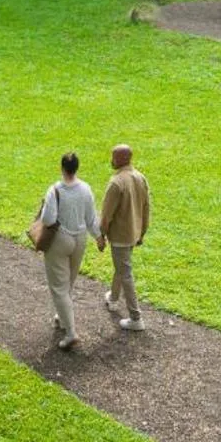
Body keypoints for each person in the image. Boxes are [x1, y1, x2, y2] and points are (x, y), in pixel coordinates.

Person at [37, 152, 98, 350]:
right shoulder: (86, 189)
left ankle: (71, 332)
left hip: (60, 239)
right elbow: (91, 218)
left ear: (62, 168)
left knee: (59, 287)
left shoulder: (54, 190)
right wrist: (98, 237)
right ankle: (62, 317)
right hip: (80, 239)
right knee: (69, 282)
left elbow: (47, 219)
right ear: (77, 168)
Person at [97, 143, 151, 332]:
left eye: (113, 156)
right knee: (122, 266)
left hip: (120, 234)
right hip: (134, 233)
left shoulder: (116, 182)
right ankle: (113, 298)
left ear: (119, 159)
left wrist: (100, 235)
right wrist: (142, 231)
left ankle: (136, 317)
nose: (111, 160)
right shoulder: (140, 178)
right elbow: (146, 208)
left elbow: (106, 214)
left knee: (125, 272)